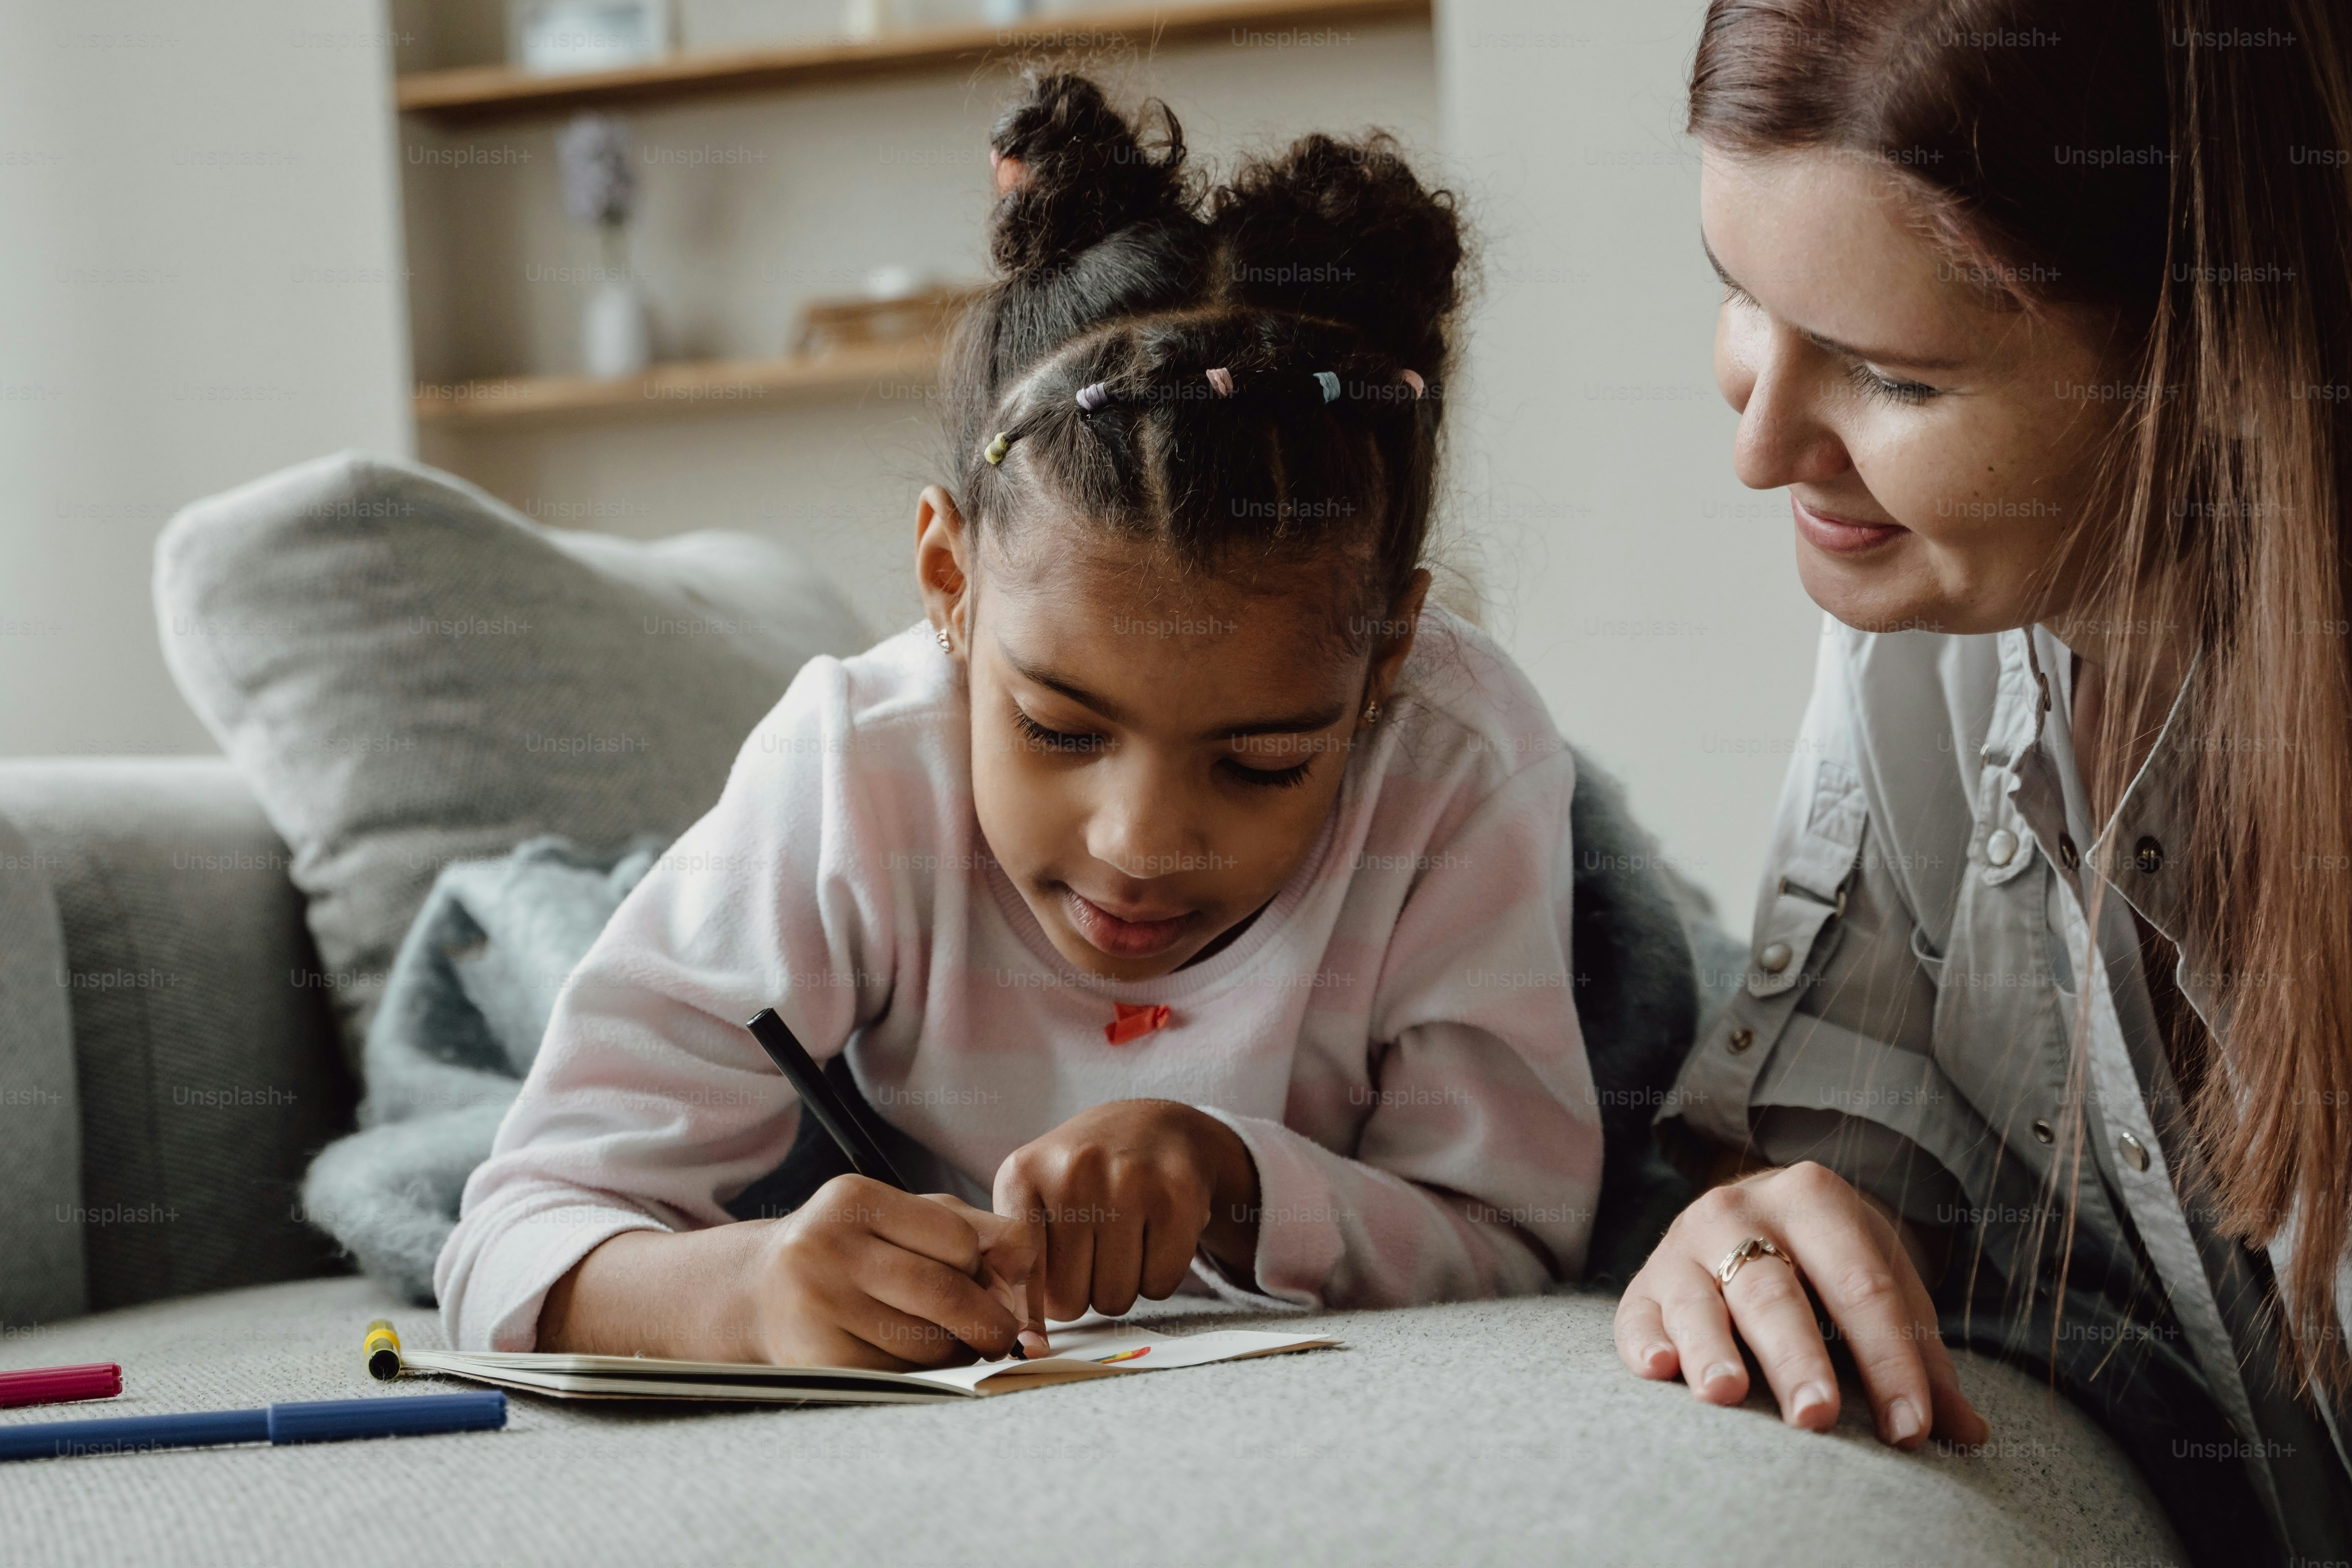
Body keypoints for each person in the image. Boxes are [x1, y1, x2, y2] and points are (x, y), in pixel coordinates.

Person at [437, 74, 1607, 1372]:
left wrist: (1237, 1182)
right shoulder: (851, 769)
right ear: (948, 584)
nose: (1141, 847)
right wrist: (751, 1291)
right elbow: (510, 1234)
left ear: (1387, 657)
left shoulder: (1457, 760)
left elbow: (1520, 1237)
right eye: (1060, 730)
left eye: (1265, 762)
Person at [1617, 1, 2352, 1560]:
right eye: (1736, 292)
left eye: (1892, 376)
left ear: (2211, 350)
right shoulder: (1930, 644)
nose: (1756, 447)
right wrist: (1766, 1224)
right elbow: (1844, 1154)